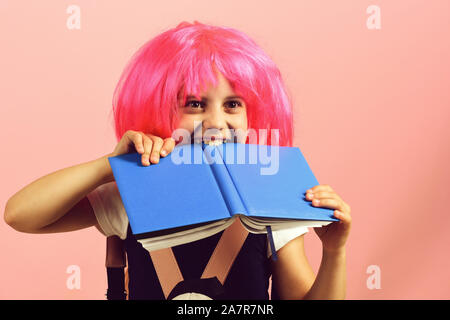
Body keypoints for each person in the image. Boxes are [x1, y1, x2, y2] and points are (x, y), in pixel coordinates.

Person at [4, 21, 352, 299]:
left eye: (232, 104)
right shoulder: (132, 193)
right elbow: (21, 215)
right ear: (157, 109)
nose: (216, 123)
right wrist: (109, 165)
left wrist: (335, 252)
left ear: (255, 114)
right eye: (195, 104)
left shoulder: (271, 203)